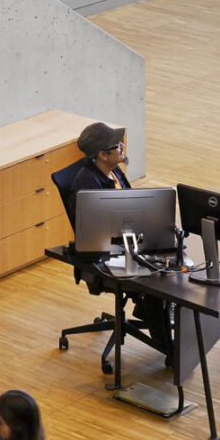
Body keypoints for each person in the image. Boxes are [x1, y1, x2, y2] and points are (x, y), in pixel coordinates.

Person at [52, 121, 175, 368]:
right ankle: (170, 350)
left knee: (171, 257)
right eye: (116, 146)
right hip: (102, 256)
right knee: (153, 280)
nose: (122, 147)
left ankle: (155, 313)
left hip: (127, 240)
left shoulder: (114, 171)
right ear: (102, 154)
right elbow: (94, 234)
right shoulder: (85, 188)